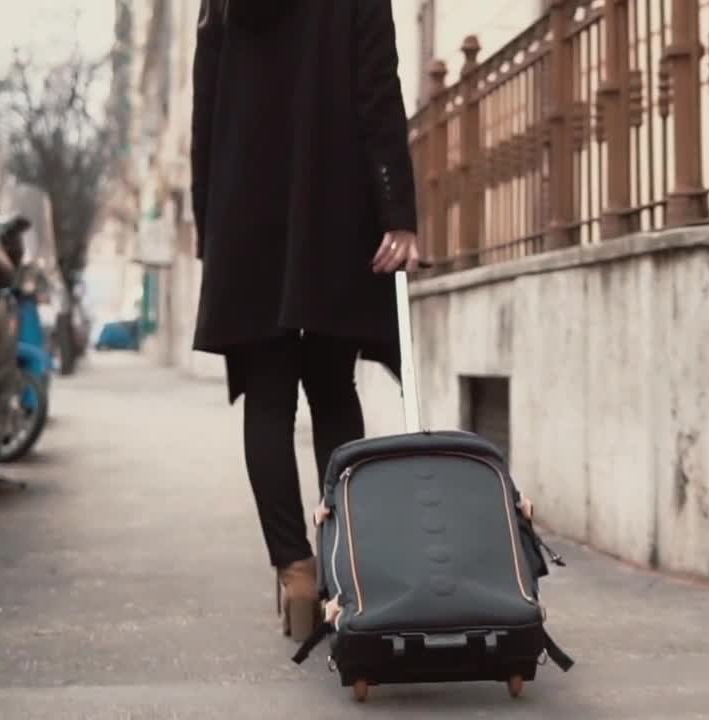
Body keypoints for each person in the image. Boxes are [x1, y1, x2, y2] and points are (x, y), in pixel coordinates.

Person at [189, 0, 421, 642]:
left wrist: (211, 226)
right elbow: (379, 94)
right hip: (332, 208)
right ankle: (344, 568)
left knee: (267, 400)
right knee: (333, 391)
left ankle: (294, 571)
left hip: (244, 211)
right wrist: (399, 212)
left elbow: (205, 112)